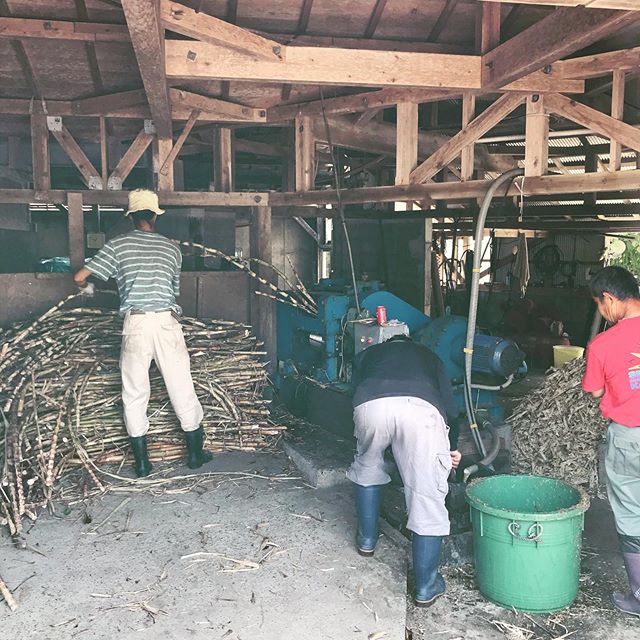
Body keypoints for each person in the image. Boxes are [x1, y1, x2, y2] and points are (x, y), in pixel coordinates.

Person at [73, 189, 212, 477]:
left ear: (132, 216)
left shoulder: (118, 246)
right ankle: (196, 455)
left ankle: (142, 463)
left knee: (135, 392)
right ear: (154, 215)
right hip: (166, 322)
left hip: (135, 324)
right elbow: (174, 293)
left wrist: (89, 287)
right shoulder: (172, 249)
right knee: (182, 387)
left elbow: (79, 277)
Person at [346, 334, 462, 607]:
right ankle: (425, 586)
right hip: (420, 410)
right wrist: (451, 446)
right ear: (411, 343)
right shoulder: (429, 356)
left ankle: (366, 540)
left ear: (388, 344)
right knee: (425, 492)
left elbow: (352, 392)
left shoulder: (369, 354)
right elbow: (450, 406)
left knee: (367, 465)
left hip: (370, 405)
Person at [583, 265, 640, 617]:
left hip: (629, 438)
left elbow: (595, 391)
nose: (602, 313)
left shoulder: (604, 343)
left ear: (609, 299)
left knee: (632, 514)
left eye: (600, 306)